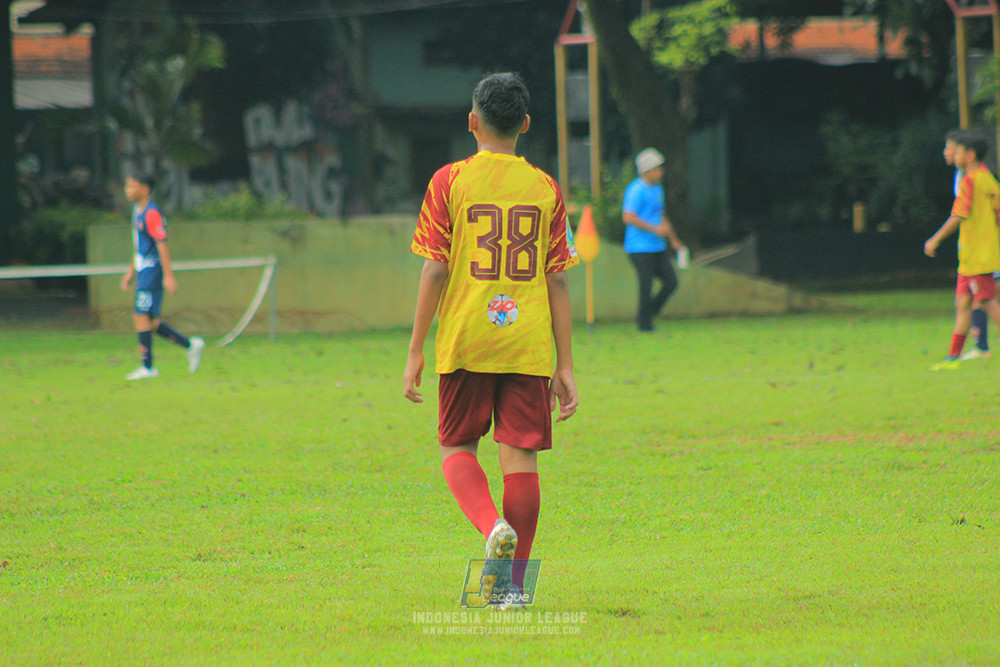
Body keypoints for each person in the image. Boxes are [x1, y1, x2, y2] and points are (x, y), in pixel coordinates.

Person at [402, 72, 579, 610]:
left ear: (472, 121)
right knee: (520, 459)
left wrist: (415, 349)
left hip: (467, 339)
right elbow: (557, 279)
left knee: (456, 447)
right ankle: (512, 588)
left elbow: (435, 269)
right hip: (526, 344)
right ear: (525, 124)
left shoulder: (449, 181)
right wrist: (566, 364)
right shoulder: (545, 188)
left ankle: (491, 525)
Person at [924, 134, 1000, 370]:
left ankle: (964, 354)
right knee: (963, 303)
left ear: (970, 155)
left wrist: (935, 239)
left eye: (957, 152)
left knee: (986, 301)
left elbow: (959, 215)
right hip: (972, 256)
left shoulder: (970, 181)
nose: (954, 155)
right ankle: (953, 358)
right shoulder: (989, 179)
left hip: (977, 256)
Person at [120, 172, 204, 380]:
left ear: (145, 189)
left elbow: (161, 243)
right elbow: (140, 246)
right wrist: (131, 271)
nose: (127, 190)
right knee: (150, 321)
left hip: (153, 270)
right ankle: (190, 345)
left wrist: (168, 275)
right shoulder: (137, 211)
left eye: (132, 186)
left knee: (140, 315)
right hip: (143, 270)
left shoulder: (151, 213)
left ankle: (148, 367)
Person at [622, 147, 687, 332]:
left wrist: (673, 239)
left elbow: (661, 215)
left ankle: (649, 311)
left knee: (671, 282)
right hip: (638, 247)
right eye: (658, 168)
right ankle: (645, 325)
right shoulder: (635, 190)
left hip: (657, 246)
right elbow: (628, 217)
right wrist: (654, 229)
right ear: (647, 170)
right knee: (646, 285)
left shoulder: (658, 189)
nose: (661, 172)